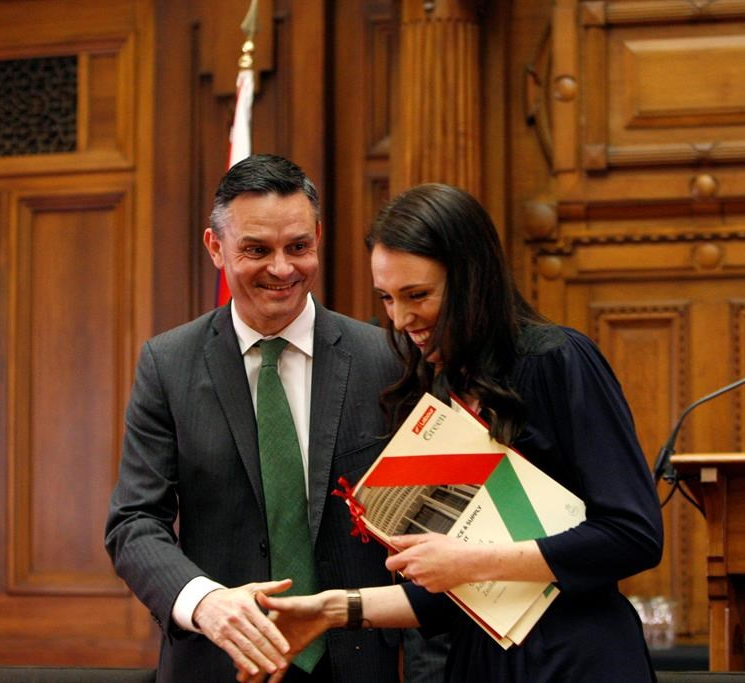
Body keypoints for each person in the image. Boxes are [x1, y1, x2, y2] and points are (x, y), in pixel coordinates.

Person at [241, 183, 664, 682]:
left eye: (417, 295)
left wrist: (472, 562)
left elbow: (633, 536)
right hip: (481, 661)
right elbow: (454, 594)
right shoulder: (443, 387)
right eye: (387, 298)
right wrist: (334, 609)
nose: (400, 320)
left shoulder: (557, 360)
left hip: (576, 659)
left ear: (471, 280)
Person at [104, 154, 405, 683]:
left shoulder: (386, 357)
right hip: (219, 663)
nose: (283, 269)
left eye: (298, 247)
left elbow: (428, 528)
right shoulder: (168, 364)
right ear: (215, 247)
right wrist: (206, 602)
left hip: (363, 663)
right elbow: (134, 523)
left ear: (318, 236)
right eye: (256, 250)